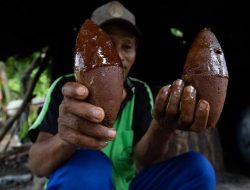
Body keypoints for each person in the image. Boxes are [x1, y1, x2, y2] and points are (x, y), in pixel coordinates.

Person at [28, 1, 215, 189]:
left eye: (127, 46)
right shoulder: (65, 89)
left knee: (197, 169)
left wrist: (161, 128)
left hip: (126, 185)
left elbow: (143, 159)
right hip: (80, 182)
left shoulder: (139, 91)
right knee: (91, 163)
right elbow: (37, 164)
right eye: (106, 44)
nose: (117, 55)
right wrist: (67, 137)